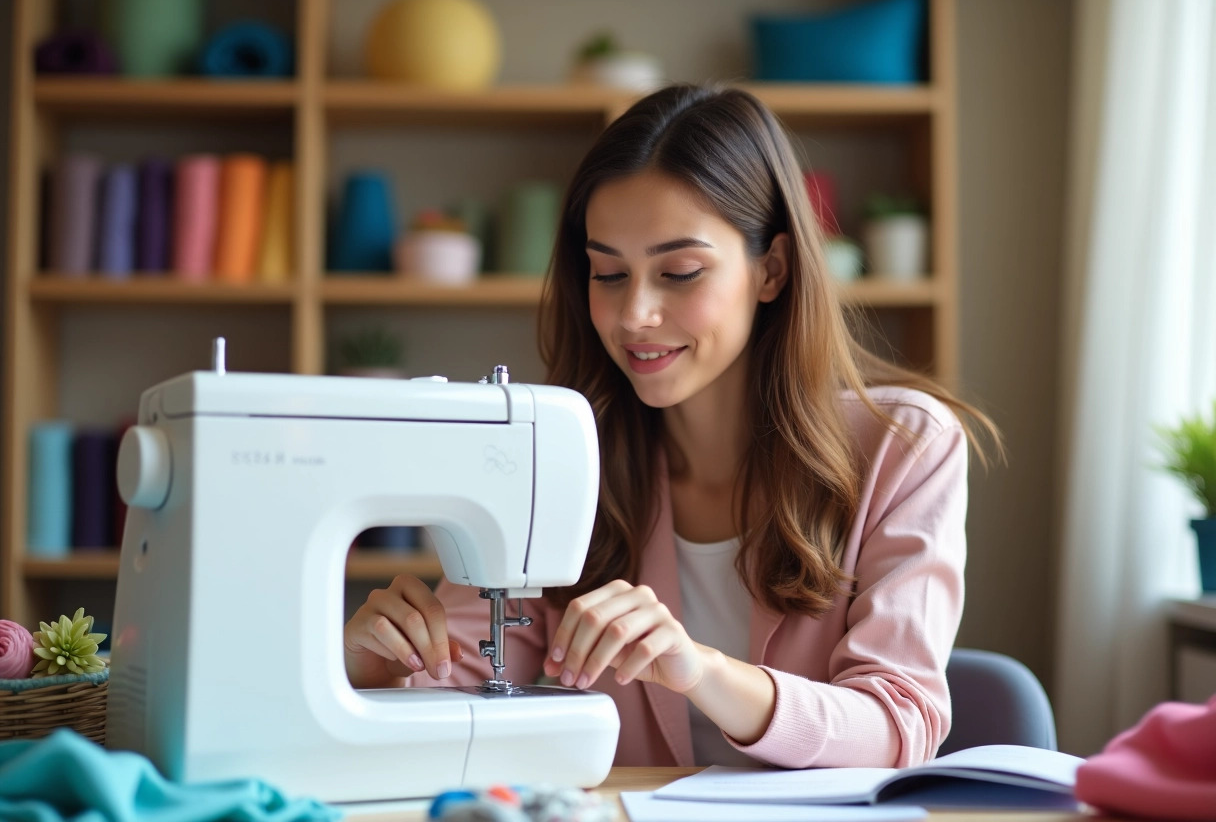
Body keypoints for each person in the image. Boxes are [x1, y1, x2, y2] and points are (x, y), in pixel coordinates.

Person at [343, 83, 1002, 769]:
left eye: (680, 273)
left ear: (770, 270)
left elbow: (899, 725)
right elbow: (456, 684)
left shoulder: (905, 448)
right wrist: (374, 671)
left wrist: (703, 671)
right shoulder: (557, 457)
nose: (635, 315)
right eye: (608, 273)